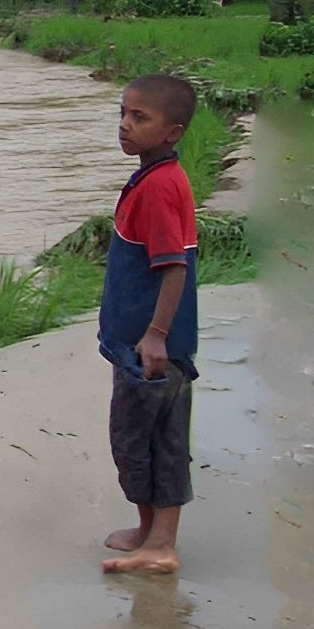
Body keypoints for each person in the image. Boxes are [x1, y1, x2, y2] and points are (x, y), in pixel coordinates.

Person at [97, 73, 200, 574]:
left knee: (154, 440)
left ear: (172, 132)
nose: (125, 125)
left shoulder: (159, 188)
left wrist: (156, 335)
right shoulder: (152, 176)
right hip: (137, 345)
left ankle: (162, 543)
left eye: (140, 118)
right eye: (123, 113)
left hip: (153, 350)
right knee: (136, 436)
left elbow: (173, 267)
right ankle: (146, 530)